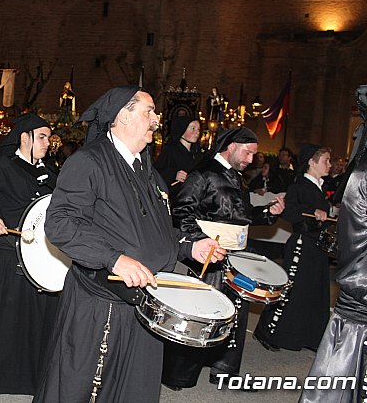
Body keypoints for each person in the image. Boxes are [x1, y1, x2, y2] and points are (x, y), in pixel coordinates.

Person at [33, 86, 225, 403]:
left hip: (147, 297)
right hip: (104, 298)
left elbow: (160, 230)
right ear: (124, 115)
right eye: (148, 111)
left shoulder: (147, 170)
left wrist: (190, 247)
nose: (156, 118)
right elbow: (61, 222)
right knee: (84, 384)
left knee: (135, 385)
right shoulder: (90, 161)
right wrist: (114, 259)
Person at [162, 127, 285, 391]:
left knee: (234, 315)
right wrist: (199, 242)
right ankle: (179, 376)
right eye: (248, 152)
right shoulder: (203, 173)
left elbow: (243, 216)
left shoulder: (237, 179)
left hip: (235, 257)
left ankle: (223, 370)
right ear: (231, 146)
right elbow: (180, 212)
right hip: (206, 258)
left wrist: (268, 213)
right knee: (202, 315)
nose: (252, 159)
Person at [0, 113, 60, 395]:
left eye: (48, 137)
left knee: (39, 321)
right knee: (5, 321)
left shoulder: (51, 174)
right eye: (41, 137)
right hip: (10, 256)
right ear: (24, 138)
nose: (47, 142)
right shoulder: (2, 168)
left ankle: (35, 378)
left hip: (45, 260)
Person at [299, 85, 367, 403]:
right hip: (309, 248)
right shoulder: (361, 178)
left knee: (314, 298)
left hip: (324, 251)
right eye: (325, 160)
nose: (330, 165)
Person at [254, 144, 331, 352]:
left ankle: (308, 337)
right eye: (326, 160)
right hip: (302, 245)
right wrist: (312, 212)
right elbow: (290, 211)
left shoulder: (321, 186)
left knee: (314, 292)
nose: (330, 165)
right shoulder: (299, 186)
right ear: (312, 163)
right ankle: (267, 331)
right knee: (291, 291)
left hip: (317, 246)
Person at [154, 115, 203, 192]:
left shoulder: (197, 153)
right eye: (193, 128)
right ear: (182, 130)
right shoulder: (170, 151)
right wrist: (173, 175)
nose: (197, 132)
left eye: (198, 129)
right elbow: (156, 174)